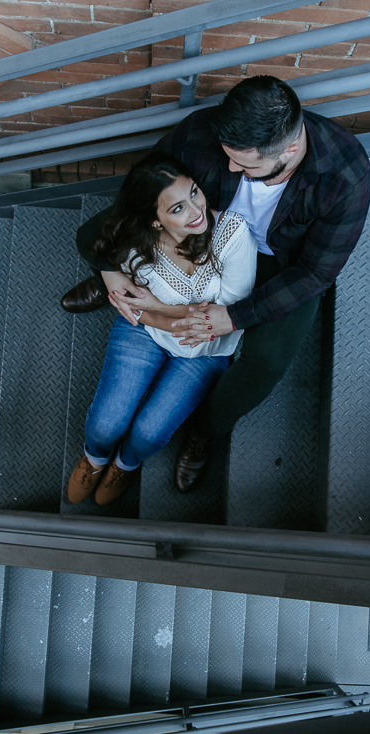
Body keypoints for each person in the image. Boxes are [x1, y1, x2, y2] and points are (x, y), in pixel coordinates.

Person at [63, 75, 370, 494]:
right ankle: (120, 282)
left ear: (290, 151)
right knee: (93, 235)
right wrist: (111, 268)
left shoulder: (345, 176)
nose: (230, 169)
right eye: (228, 158)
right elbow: (144, 191)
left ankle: (204, 430)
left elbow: (316, 274)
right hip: (203, 225)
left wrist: (234, 316)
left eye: (245, 165)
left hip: (281, 265)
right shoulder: (201, 130)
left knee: (267, 360)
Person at [67, 153, 257, 506]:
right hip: (146, 329)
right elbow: (143, 310)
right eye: (177, 209)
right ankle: (94, 459)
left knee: (149, 433)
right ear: (155, 222)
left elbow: (224, 314)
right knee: (105, 424)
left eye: (195, 193)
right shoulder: (137, 244)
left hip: (206, 350)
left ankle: (125, 464)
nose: (197, 211)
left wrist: (157, 305)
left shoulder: (232, 234)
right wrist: (154, 314)